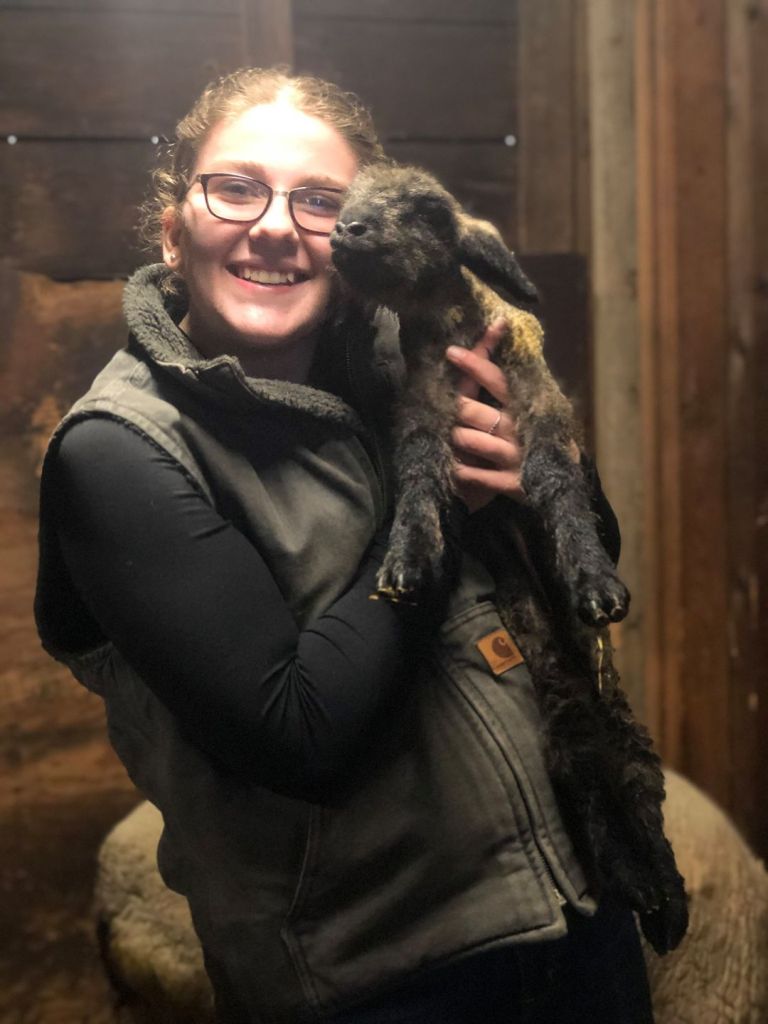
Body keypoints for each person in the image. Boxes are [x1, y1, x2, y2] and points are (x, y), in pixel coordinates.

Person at [35, 68, 656, 1023]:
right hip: (378, 984)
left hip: (576, 925)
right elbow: (302, 733)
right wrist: (439, 491)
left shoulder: (413, 345)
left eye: (322, 202)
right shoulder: (119, 453)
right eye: (237, 186)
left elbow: (587, 555)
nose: (279, 225)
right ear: (173, 225)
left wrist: (542, 479)